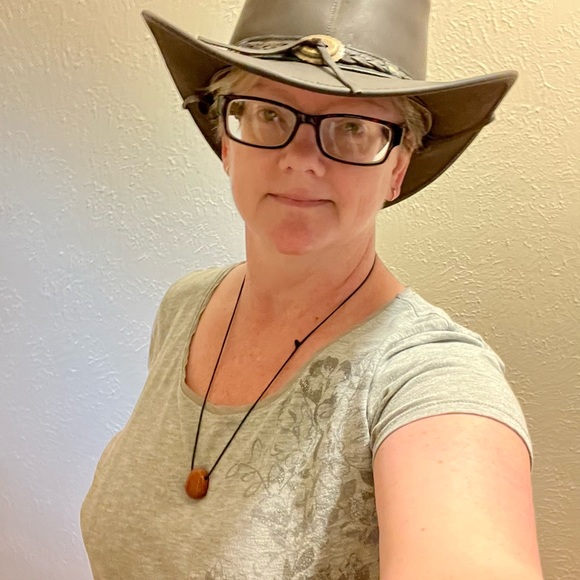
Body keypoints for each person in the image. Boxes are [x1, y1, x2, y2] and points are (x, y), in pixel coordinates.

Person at [81, 1, 544, 578]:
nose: (301, 161)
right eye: (269, 113)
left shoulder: (427, 376)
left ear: (396, 170)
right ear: (226, 141)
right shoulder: (184, 308)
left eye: (352, 127)